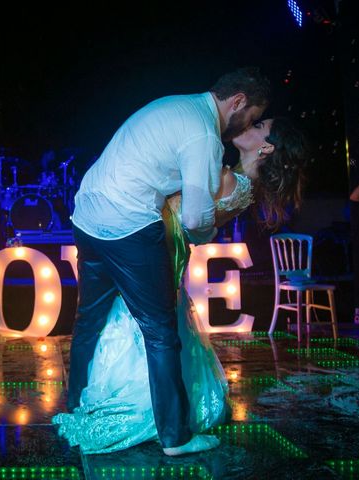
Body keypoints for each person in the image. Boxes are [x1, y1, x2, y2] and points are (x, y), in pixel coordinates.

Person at [53, 116, 308, 454]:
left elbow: (192, 221)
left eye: (260, 126)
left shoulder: (228, 177)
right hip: (164, 245)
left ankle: (133, 406)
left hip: (157, 244)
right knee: (152, 329)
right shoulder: (242, 183)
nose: (251, 124)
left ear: (267, 146)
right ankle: (165, 416)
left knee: (137, 327)